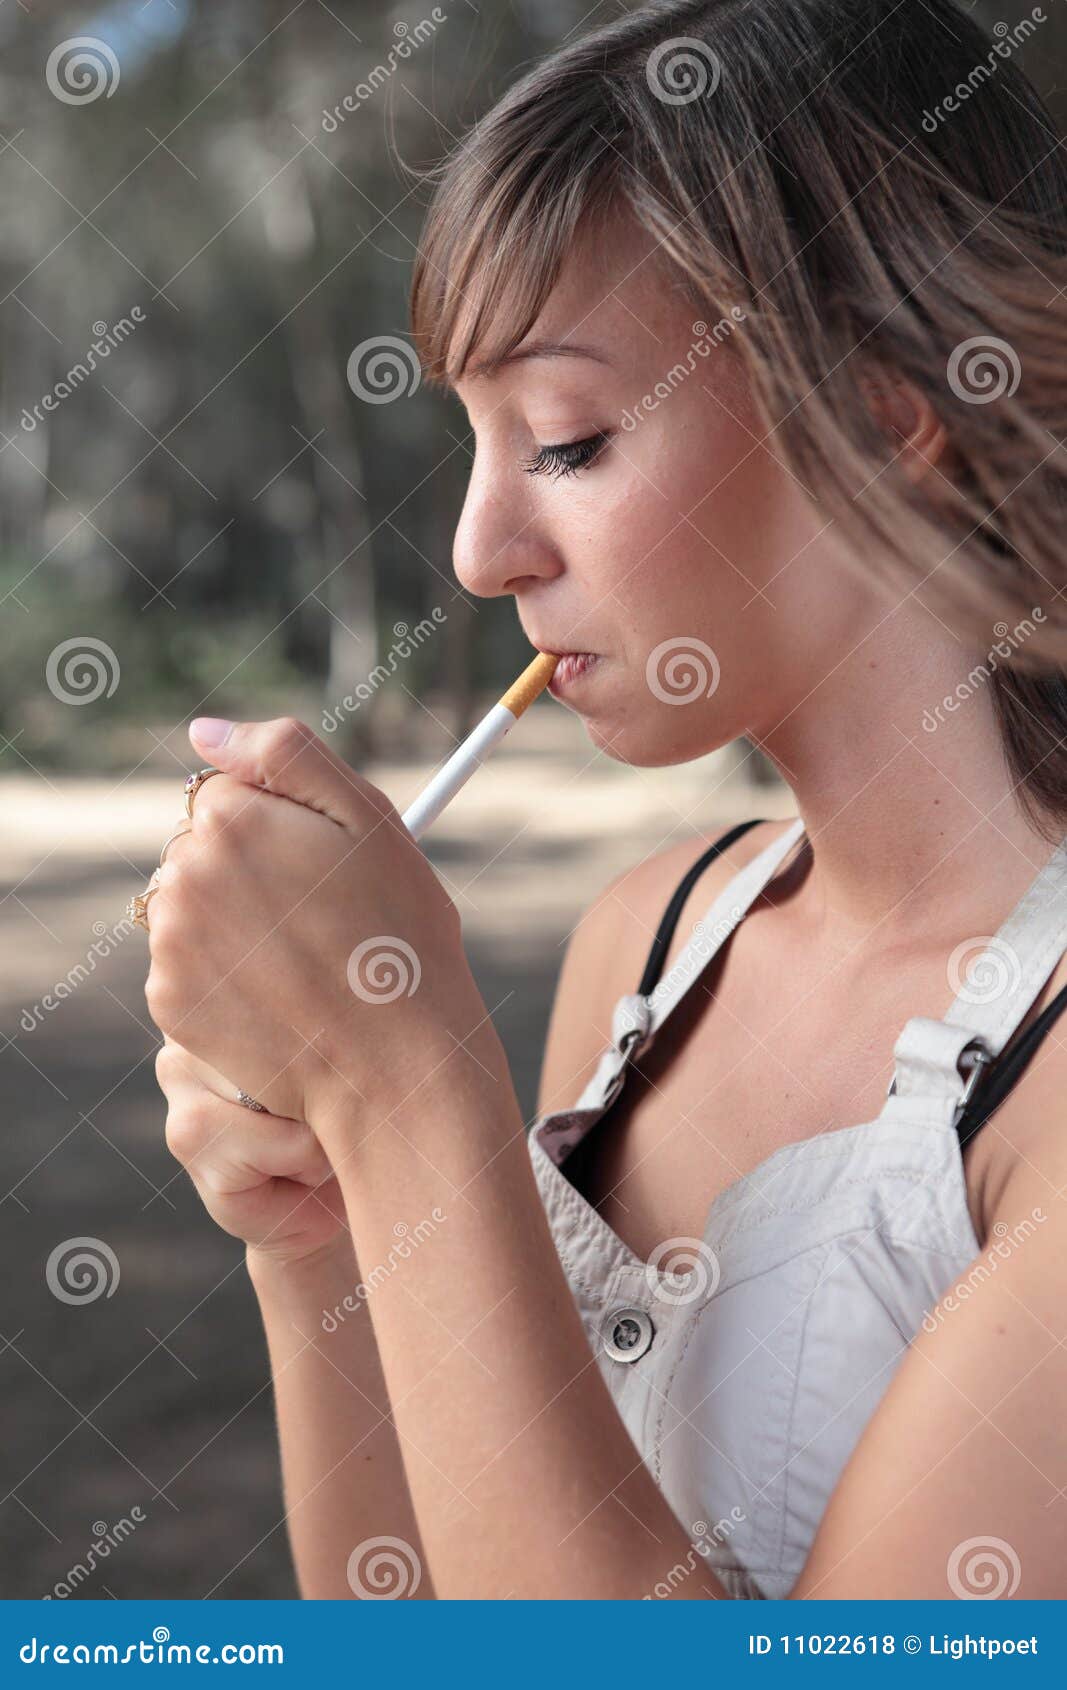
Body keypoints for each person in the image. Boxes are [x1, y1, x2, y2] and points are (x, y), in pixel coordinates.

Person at [147, 0, 1067, 1598]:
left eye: (565, 440)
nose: (480, 551)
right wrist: (321, 1233)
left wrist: (407, 1086)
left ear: (887, 411)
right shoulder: (643, 943)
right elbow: (409, 1619)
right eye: (476, 443)